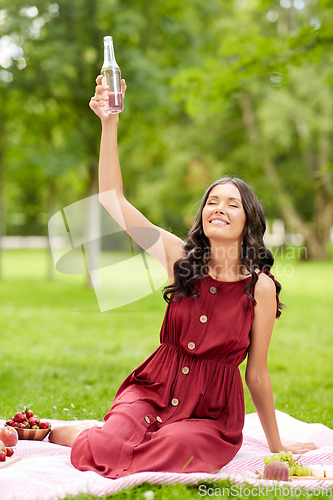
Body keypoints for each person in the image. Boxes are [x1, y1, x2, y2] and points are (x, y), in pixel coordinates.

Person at [49, 76, 318, 477]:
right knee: (114, 440)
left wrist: (277, 448)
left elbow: (257, 373)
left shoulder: (258, 288)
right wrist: (109, 123)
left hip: (210, 416)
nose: (219, 208)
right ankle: (76, 436)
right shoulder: (180, 257)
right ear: (203, 214)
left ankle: (102, 442)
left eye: (232, 204)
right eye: (212, 201)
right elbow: (112, 202)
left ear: (249, 221)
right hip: (152, 391)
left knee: (178, 450)